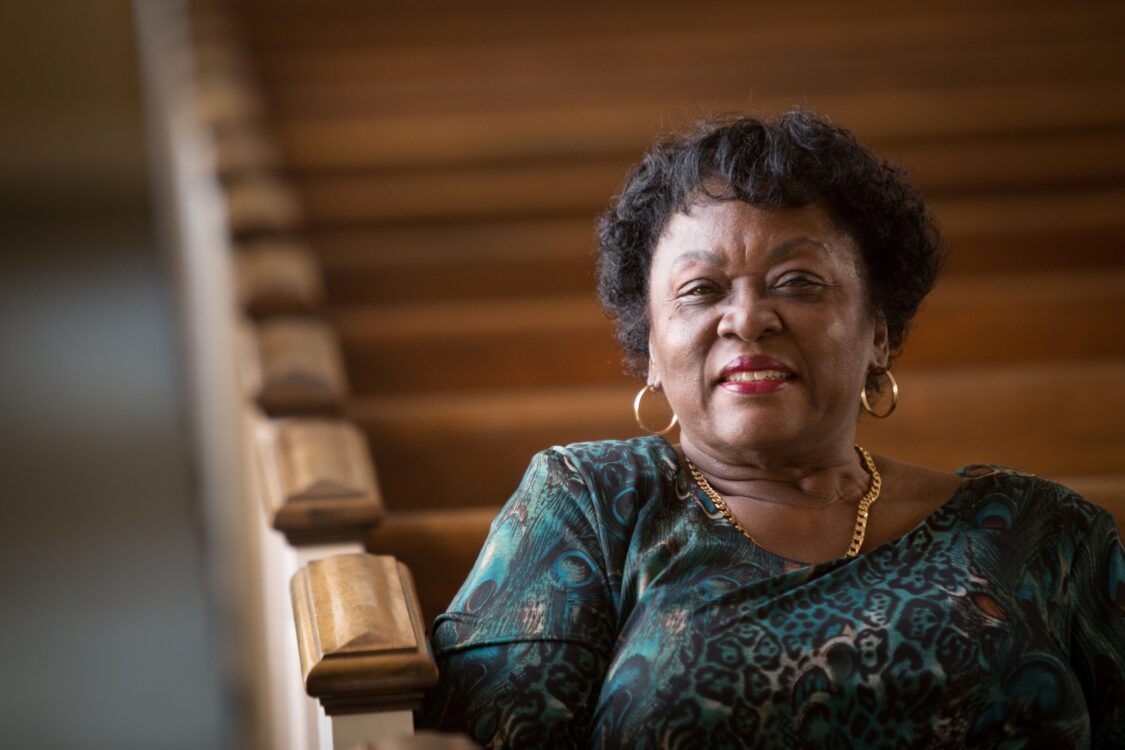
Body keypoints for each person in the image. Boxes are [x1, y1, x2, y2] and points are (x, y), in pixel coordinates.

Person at [419, 112, 1125, 748]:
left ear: (877, 332)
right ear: (651, 352)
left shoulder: (1040, 533)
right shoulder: (589, 502)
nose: (748, 318)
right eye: (701, 290)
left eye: (798, 282)